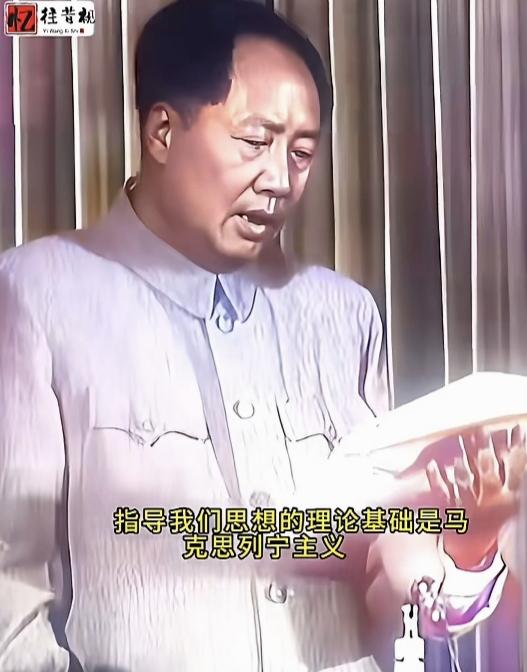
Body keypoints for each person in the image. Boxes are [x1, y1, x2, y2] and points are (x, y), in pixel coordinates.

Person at [0, 1, 524, 670]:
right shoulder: (35, 295)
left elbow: (388, 579)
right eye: (255, 142)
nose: (280, 180)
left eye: (301, 153)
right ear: (162, 131)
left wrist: (472, 541)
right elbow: (11, 593)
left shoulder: (342, 315)